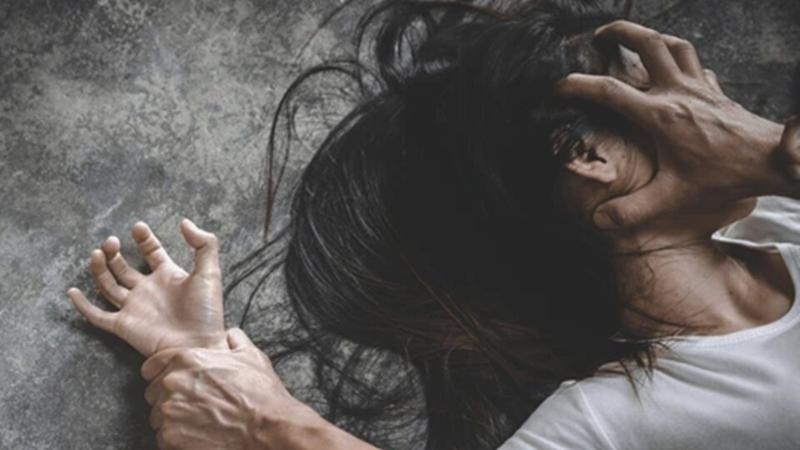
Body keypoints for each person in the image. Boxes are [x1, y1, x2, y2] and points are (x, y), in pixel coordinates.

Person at [67, 0, 800, 448]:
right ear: (590, 157)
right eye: (660, 91)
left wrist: (775, 152)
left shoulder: (782, 212)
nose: (710, 87)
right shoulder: (613, 421)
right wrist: (210, 369)